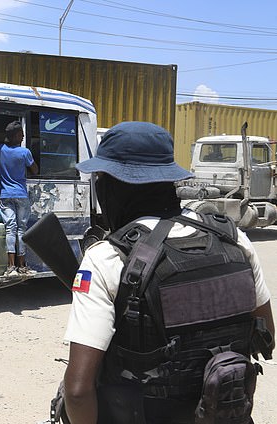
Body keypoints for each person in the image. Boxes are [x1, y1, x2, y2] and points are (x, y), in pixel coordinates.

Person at [61, 121, 274, 424]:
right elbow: (266, 336)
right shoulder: (233, 239)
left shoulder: (107, 258)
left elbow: (78, 392)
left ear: (109, 186)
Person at [0, 120, 38, 277]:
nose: (23, 136)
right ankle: (22, 265)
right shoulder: (24, 152)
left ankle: (10, 267)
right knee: (21, 229)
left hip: (5, 195)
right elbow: (35, 169)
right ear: (14, 136)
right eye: (20, 134)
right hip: (21, 195)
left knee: (10, 229)